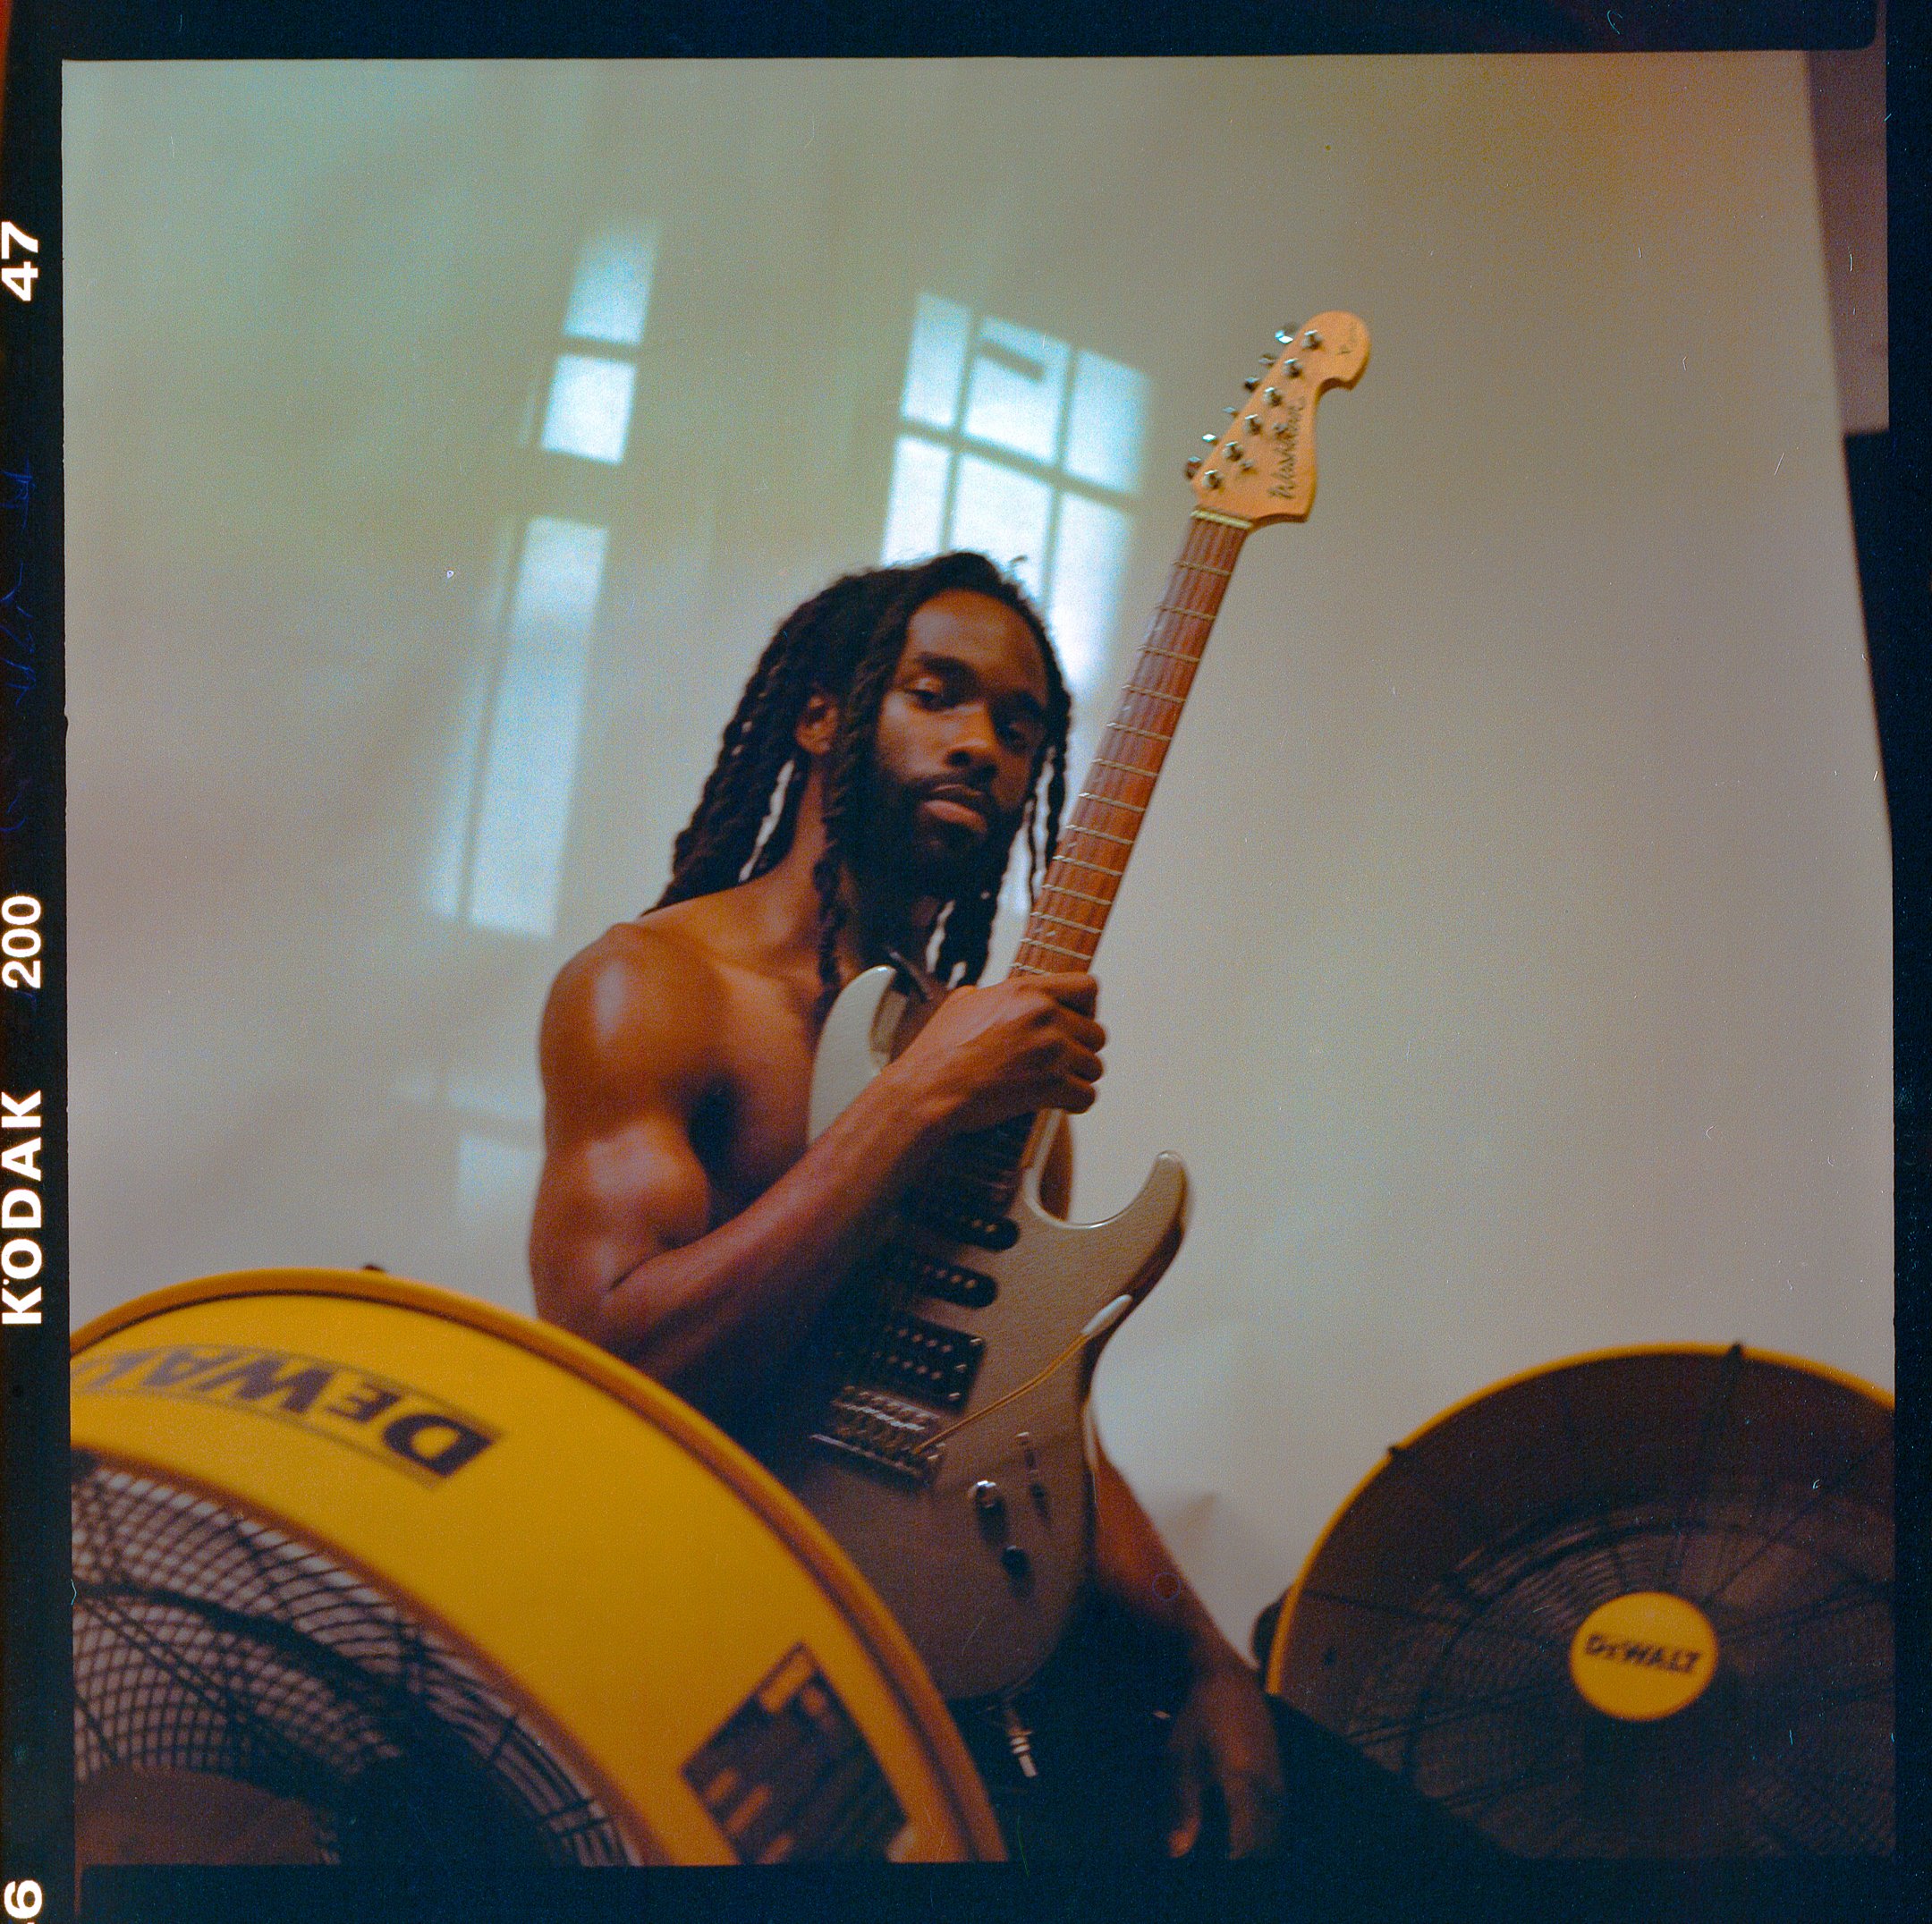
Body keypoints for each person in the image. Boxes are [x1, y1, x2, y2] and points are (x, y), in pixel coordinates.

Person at [528, 551, 1286, 1863]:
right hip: (693, 1665)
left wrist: (1208, 1661)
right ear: (824, 715)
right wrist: (918, 1100)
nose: (981, 744)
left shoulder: (987, 1073)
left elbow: (1019, 1423)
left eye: (1019, 724)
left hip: (923, 1678)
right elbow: (615, 1361)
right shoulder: (654, 988)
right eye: (937, 693)